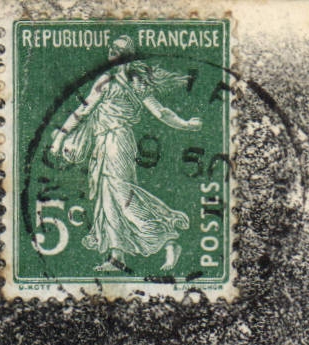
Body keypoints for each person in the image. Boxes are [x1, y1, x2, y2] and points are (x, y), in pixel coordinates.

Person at [49, 38, 202, 273]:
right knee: (107, 198)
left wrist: (186, 124)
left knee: (122, 197)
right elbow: (84, 110)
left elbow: (159, 112)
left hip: (116, 142)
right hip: (106, 144)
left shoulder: (118, 81)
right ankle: (116, 257)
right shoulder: (125, 81)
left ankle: (169, 239)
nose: (111, 53)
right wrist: (60, 137)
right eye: (111, 49)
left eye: (117, 51)